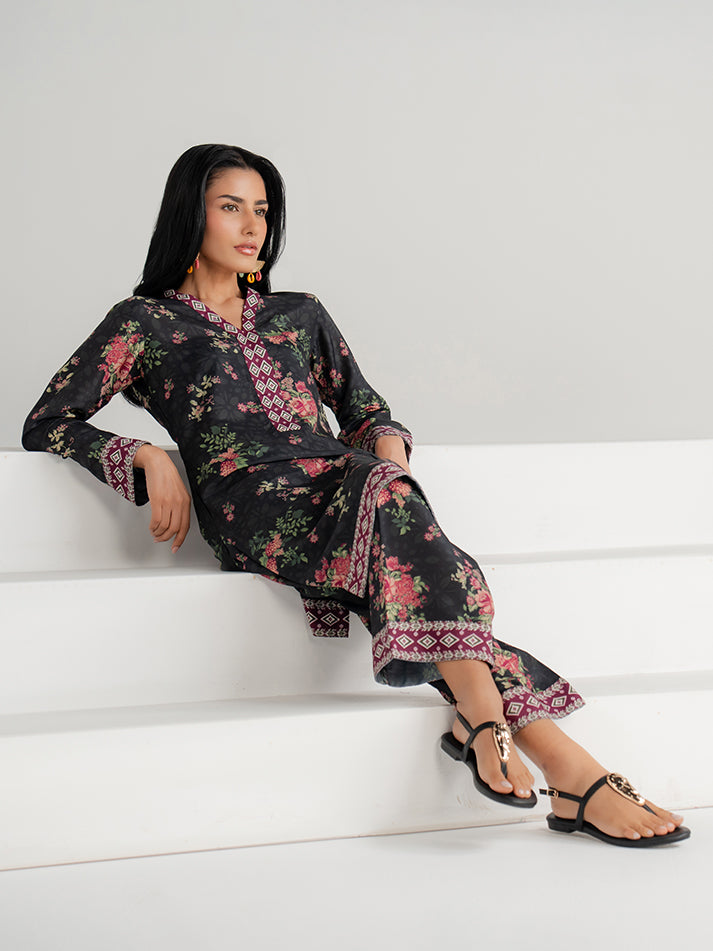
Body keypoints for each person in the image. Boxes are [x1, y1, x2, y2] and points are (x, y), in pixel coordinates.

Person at [22, 143, 689, 848]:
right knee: (392, 521)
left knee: (394, 533)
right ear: (191, 214)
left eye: (262, 211)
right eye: (230, 207)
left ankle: (538, 752)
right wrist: (144, 456)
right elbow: (49, 420)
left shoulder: (299, 313)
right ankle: (525, 742)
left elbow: (367, 414)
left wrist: (392, 477)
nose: (252, 227)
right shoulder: (145, 322)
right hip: (253, 505)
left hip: (347, 490)